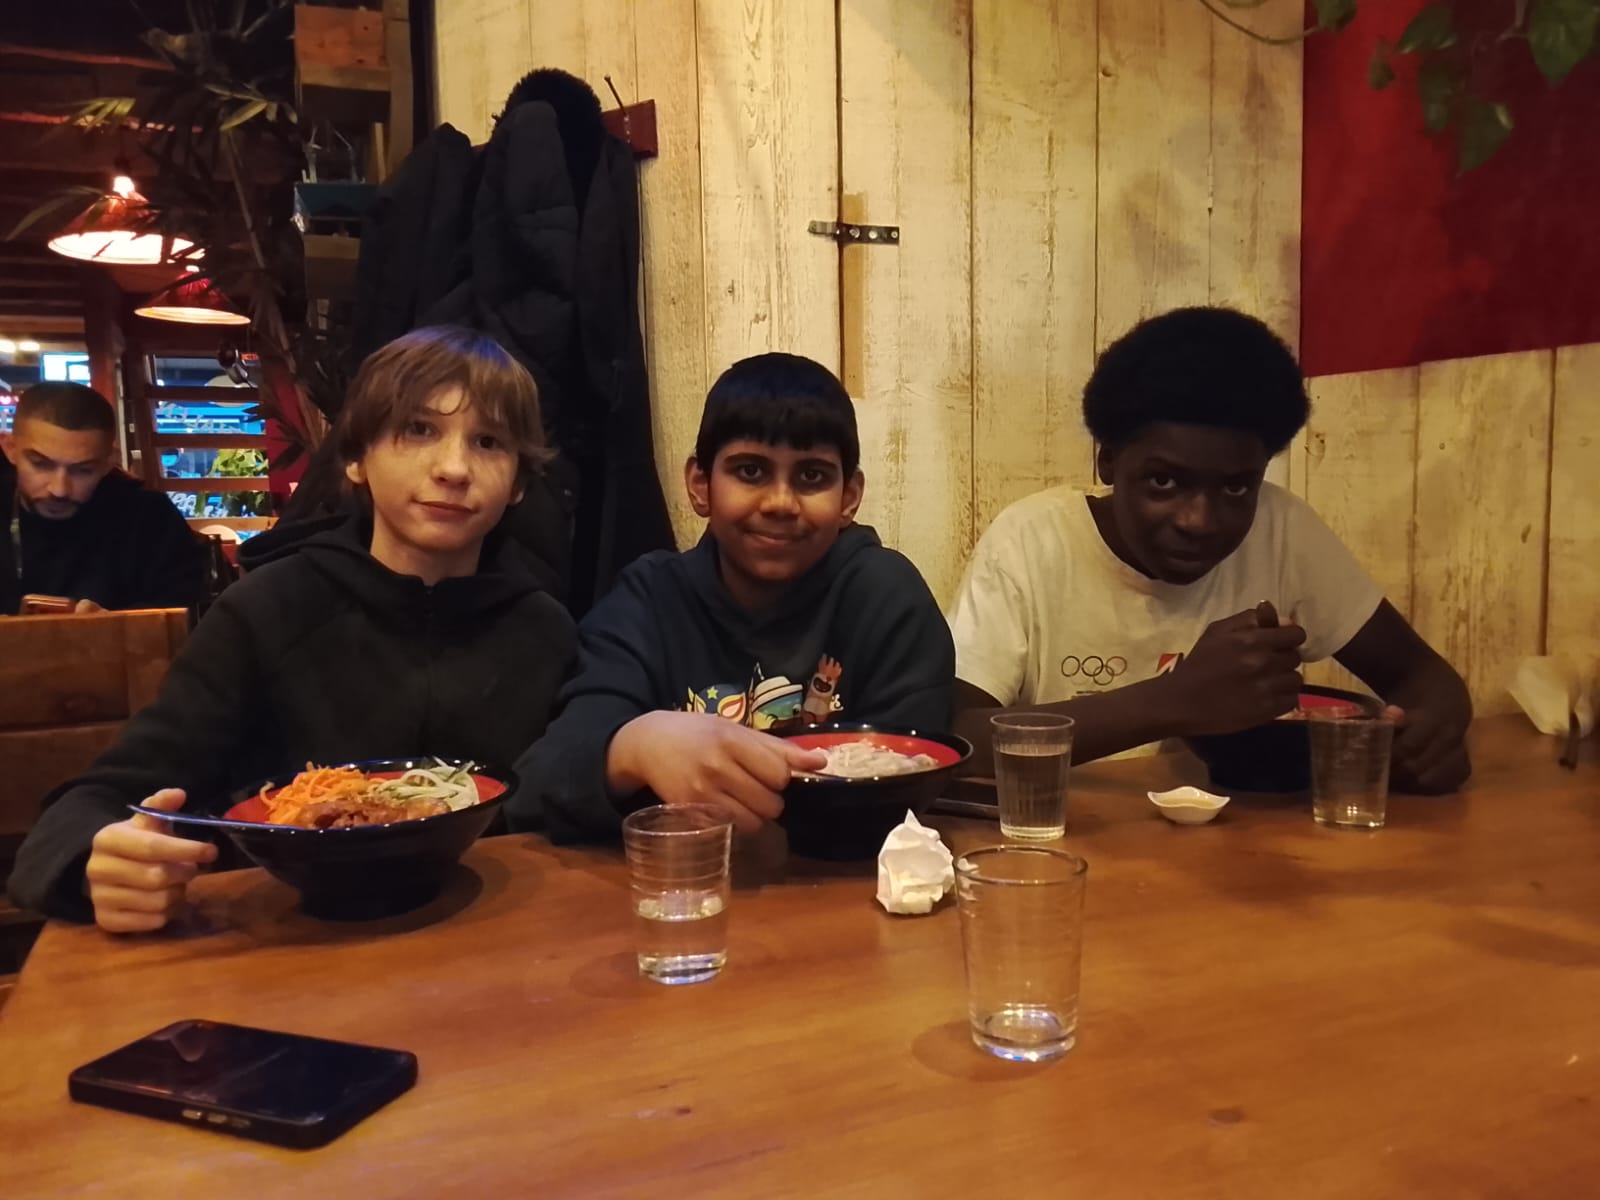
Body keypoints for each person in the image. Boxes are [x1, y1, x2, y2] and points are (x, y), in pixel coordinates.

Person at [7, 327, 578, 930]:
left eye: (488, 441)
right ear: (356, 458)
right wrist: (97, 863)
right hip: (289, 941)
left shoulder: (544, 630)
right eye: (418, 430)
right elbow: (96, 801)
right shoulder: (265, 611)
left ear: (518, 482)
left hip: (493, 938)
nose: (454, 468)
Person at [947, 307, 1472, 793]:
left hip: (1246, 848)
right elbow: (958, 741)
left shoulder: (1282, 529)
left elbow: (1425, 679)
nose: (1199, 521)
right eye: (1163, 481)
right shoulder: (1033, 541)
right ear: (1108, 462)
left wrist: (1427, 739)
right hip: (1075, 839)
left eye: (1236, 487)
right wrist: (1174, 700)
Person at [510, 352, 955, 840]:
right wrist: (632, 747)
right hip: (682, 876)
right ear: (700, 485)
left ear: (848, 497)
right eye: (750, 471)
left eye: (812, 476)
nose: (780, 503)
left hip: (845, 875)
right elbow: (539, 785)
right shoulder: (649, 599)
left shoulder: (888, 598)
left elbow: (909, 790)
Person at [1, 381, 204, 615]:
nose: (60, 490)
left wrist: (115, 626)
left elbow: (188, 612)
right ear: (10, 448)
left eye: (83, 470)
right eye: (41, 465)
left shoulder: (149, 518)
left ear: (109, 462)